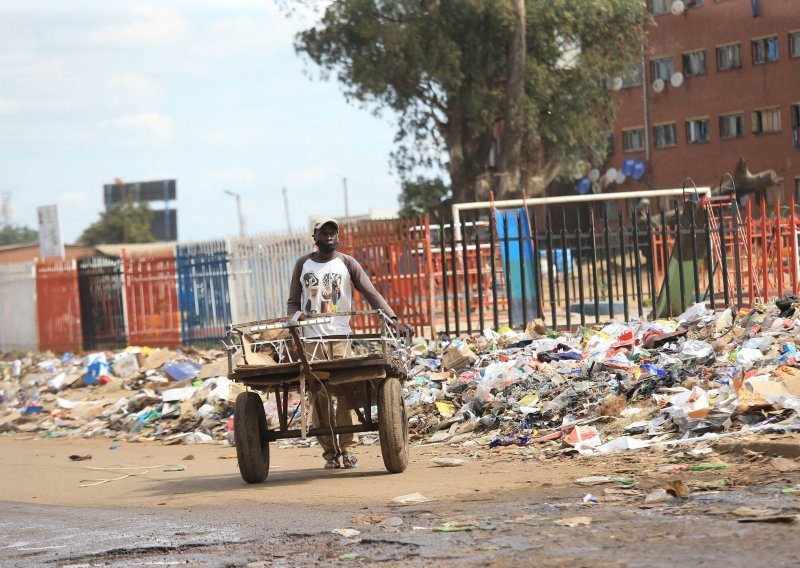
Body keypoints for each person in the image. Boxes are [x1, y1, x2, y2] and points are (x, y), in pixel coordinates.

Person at [286, 217, 407, 469]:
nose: (329, 235)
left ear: (337, 236)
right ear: (315, 237)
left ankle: (349, 449)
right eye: (324, 232)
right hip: (311, 342)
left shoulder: (347, 263)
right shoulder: (303, 264)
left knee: (344, 393)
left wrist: (393, 319)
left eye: (333, 232)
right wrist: (293, 323)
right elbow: (293, 302)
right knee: (318, 395)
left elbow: (370, 292)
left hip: (340, 338)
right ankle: (330, 453)